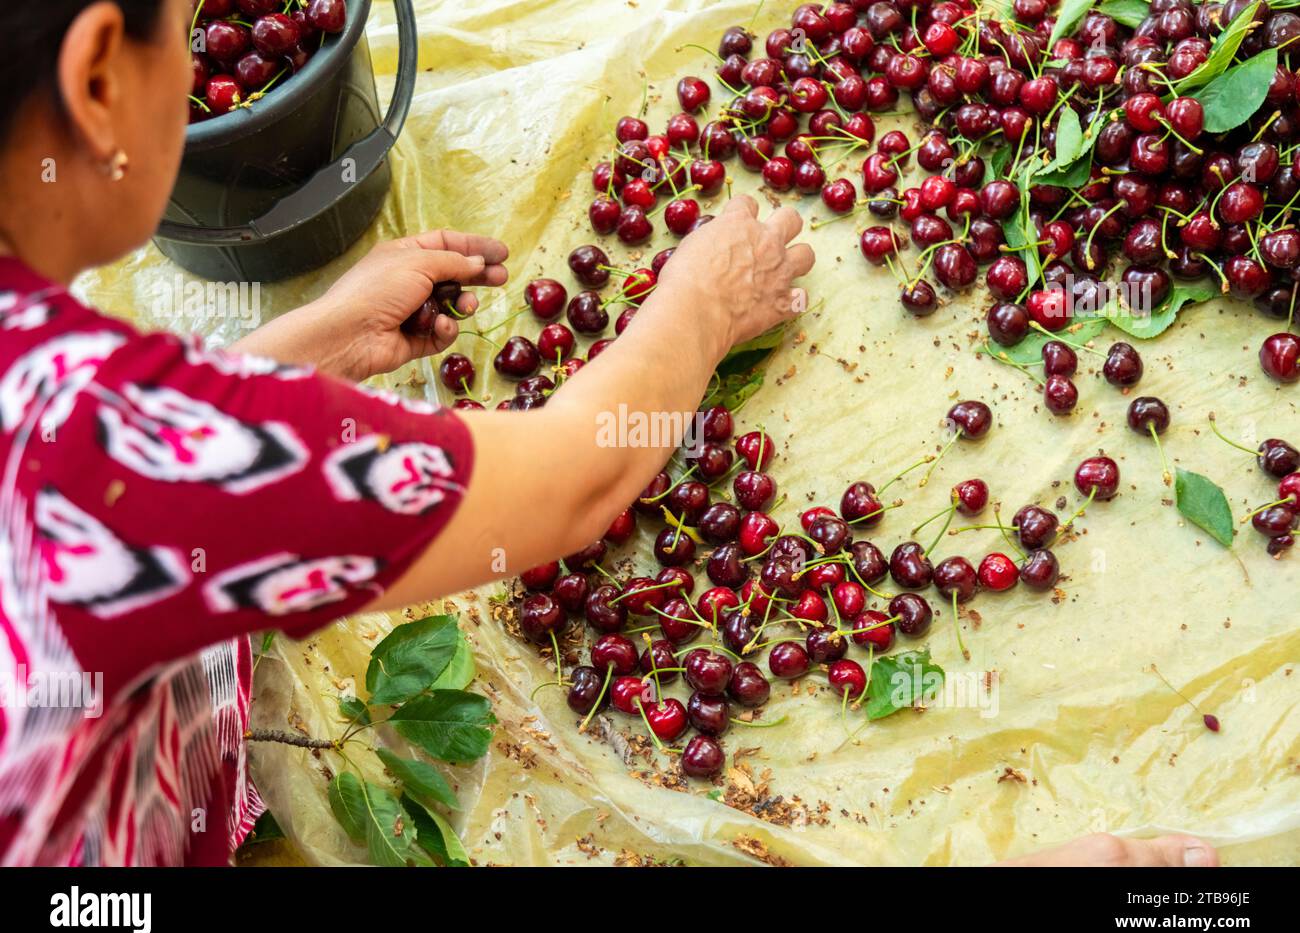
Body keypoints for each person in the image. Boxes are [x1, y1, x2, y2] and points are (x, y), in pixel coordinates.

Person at [0, 0, 1217, 868]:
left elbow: (124, 474)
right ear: (103, 67)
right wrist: (694, 305)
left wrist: (298, 353)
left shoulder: (83, 410)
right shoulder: (123, 453)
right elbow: (576, 488)